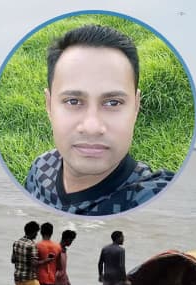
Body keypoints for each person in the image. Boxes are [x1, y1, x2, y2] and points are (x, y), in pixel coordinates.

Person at [23, 24, 174, 216]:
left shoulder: (149, 196)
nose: (92, 127)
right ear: (49, 105)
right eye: (73, 101)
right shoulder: (40, 168)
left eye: (112, 103)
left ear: (136, 107)